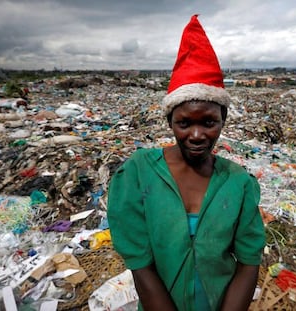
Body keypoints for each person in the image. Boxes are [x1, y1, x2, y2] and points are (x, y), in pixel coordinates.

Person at [107, 15, 266, 311]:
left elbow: (248, 261)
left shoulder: (238, 182)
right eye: (184, 123)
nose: (196, 135)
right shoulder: (139, 173)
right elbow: (140, 264)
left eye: (209, 122)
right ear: (169, 121)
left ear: (223, 120)